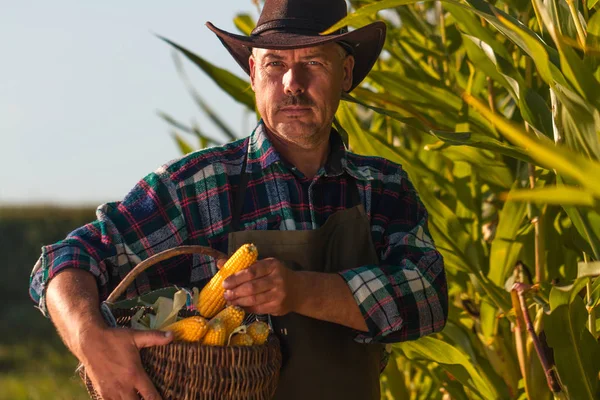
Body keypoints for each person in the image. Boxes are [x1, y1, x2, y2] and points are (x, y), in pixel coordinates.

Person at [29, 0, 447, 399]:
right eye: (275, 64)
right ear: (252, 72)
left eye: (314, 63)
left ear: (347, 72)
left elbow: (428, 297)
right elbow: (67, 258)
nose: (292, 85)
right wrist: (89, 337)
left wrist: (301, 291)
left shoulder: (383, 186)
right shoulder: (195, 186)